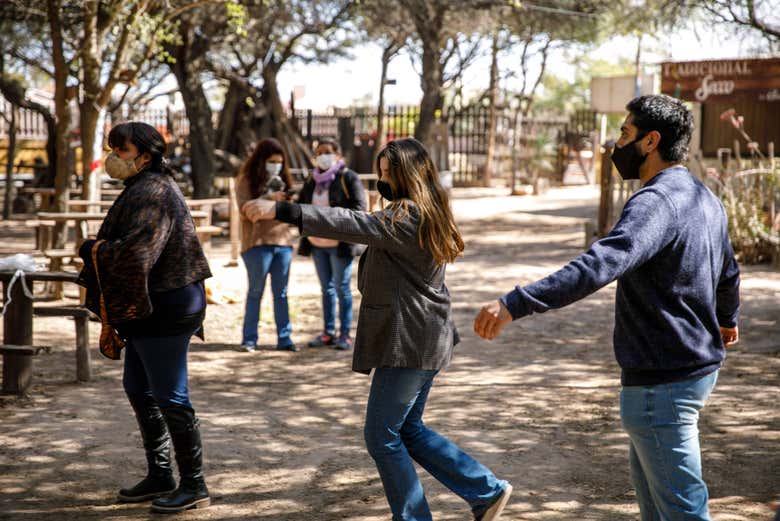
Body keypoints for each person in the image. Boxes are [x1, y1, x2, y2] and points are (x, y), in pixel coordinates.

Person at [474, 94, 741, 521]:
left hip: (663, 383)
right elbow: (729, 271)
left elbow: (599, 265)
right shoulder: (703, 196)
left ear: (651, 141)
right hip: (688, 374)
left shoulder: (656, 202)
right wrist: (727, 319)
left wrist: (515, 303)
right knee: (661, 509)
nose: (617, 144)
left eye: (624, 133)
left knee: (682, 512)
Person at [243, 138, 512, 521]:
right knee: (408, 430)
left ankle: (425, 514)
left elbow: (353, 222)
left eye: (388, 173)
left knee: (381, 436)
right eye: (380, 171)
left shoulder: (409, 215)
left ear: (407, 176)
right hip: (423, 338)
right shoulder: (426, 209)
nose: (382, 179)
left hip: (410, 341)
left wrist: (284, 209)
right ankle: (485, 491)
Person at [76, 122, 213, 513]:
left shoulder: (154, 190)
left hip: (169, 306)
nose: (114, 157)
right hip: (149, 306)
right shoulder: (143, 186)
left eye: (121, 150)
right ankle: (161, 474)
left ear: (145, 156)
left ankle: (195, 485)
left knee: (170, 394)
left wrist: (92, 248)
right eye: (113, 148)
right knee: (139, 387)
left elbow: (137, 254)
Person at [296, 139, 366, 350]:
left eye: (327, 152)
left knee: (342, 287)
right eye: (319, 152)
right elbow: (301, 205)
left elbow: (360, 207)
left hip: (340, 244)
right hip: (316, 243)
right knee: (325, 289)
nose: (323, 156)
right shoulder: (312, 180)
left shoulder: (348, 177)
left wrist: (333, 220)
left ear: (337, 154)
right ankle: (328, 332)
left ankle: (345, 334)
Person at [235, 137, 297, 352]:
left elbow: (293, 212)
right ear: (261, 160)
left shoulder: (284, 180)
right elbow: (245, 211)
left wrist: (286, 201)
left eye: (279, 161)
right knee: (255, 292)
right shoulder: (246, 180)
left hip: (283, 243)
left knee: (281, 293)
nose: (276, 165)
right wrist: (268, 198)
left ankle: (285, 339)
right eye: (271, 161)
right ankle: (249, 339)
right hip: (256, 244)